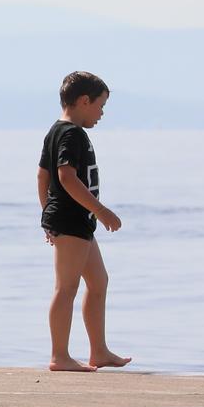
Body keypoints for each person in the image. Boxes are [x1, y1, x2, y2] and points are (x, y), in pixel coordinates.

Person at [38, 71, 131, 372]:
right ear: (83, 101)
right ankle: (59, 356)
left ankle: (99, 351)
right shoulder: (71, 134)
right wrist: (101, 211)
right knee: (66, 288)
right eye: (100, 106)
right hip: (72, 219)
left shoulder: (56, 131)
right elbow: (65, 176)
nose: (102, 114)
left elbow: (43, 176)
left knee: (99, 281)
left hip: (76, 221)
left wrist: (46, 213)